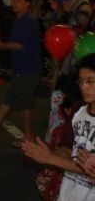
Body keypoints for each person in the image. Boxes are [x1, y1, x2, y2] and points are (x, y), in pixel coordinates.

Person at [22, 53, 95, 201]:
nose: (83, 87)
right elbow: (68, 150)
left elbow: (90, 170)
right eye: (80, 81)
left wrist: (50, 159)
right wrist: (42, 156)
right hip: (69, 192)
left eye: (90, 81)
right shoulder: (78, 109)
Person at [0, 0, 41, 144]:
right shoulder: (19, 19)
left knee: (9, 102)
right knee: (22, 105)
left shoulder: (28, 21)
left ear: (27, 4)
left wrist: (1, 45)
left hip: (28, 70)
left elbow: (19, 46)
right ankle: (29, 137)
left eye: (19, 0)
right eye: (13, 0)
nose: (14, 3)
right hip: (23, 69)